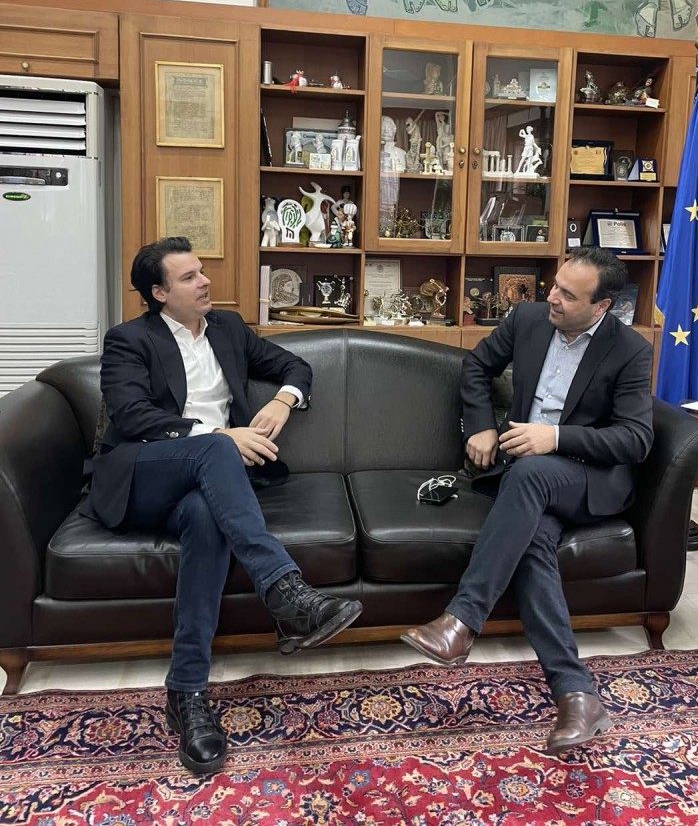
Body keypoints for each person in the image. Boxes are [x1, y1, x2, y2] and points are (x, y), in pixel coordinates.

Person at [82, 238, 362, 775]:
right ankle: (285, 591)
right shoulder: (129, 340)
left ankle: (186, 692)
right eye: (188, 277)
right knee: (215, 447)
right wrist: (220, 436)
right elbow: (133, 416)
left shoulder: (228, 329)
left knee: (207, 519)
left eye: (202, 271)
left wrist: (283, 399)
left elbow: (295, 366)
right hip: (142, 474)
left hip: (203, 484)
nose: (205, 281)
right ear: (160, 293)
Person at [401, 246, 653, 754]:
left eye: (568, 295)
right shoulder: (528, 318)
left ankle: (463, 619)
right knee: (534, 544)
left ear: (601, 306)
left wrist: (554, 437)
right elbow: (477, 366)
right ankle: (578, 696)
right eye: (555, 285)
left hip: (585, 478)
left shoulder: (630, 350)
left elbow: (635, 439)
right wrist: (479, 427)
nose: (552, 297)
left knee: (532, 471)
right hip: (525, 477)